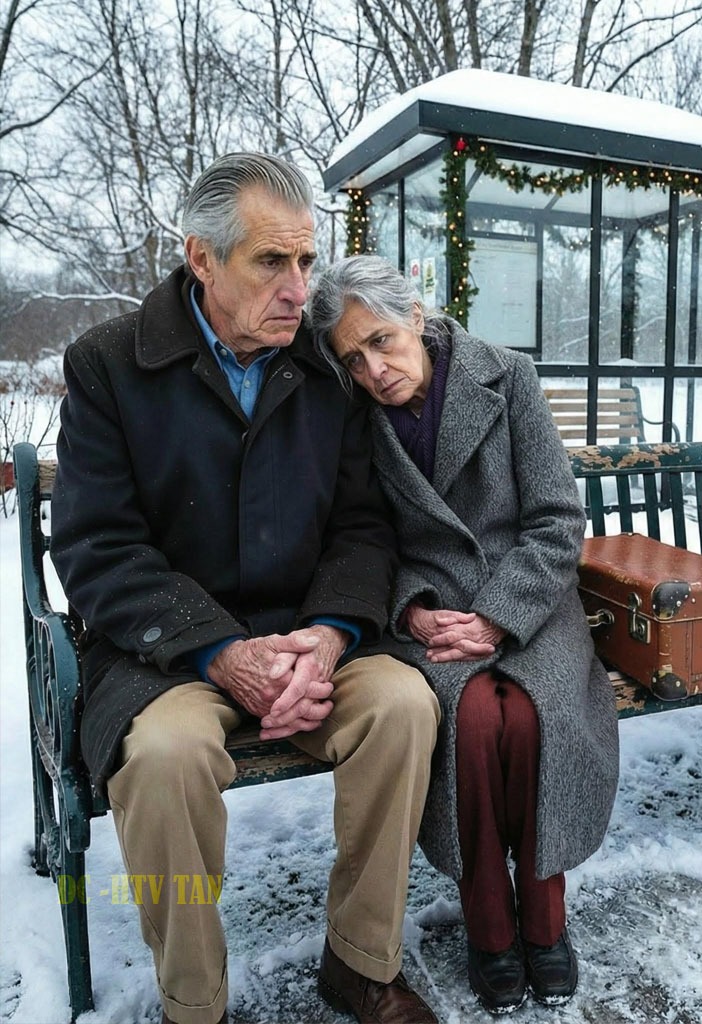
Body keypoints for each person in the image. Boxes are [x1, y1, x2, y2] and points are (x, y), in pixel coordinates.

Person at [49, 153, 442, 1024]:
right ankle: (195, 1001)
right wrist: (223, 652)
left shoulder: (325, 365)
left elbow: (362, 524)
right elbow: (97, 545)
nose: (300, 289)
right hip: (167, 654)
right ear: (202, 258)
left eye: (306, 260)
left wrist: (330, 634)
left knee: (403, 706)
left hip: (307, 636)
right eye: (271, 262)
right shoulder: (110, 365)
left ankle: (361, 961)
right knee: (164, 759)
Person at [309, 255, 620, 1015]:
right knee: (475, 716)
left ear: (415, 317)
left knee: (532, 714)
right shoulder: (356, 417)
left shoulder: (507, 377)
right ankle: (489, 921)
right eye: (354, 358)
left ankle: (544, 912)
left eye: (382, 341)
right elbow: (366, 539)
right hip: (433, 616)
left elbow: (556, 519)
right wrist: (411, 611)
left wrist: (499, 615)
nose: (374, 370)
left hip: (530, 603)